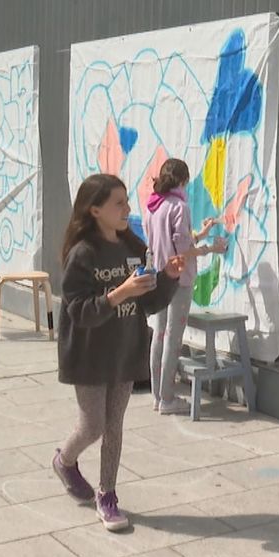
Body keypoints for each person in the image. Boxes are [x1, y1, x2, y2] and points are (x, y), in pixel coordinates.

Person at [54, 173, 186, 531]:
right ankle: (65, 460)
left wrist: (169, 278)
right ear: (95, 210)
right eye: (119, 203)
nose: (128, 209)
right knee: (93, 425)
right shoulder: (82, 254)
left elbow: (149, 303)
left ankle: (107, 495)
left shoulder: (133, 248)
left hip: (124, 351)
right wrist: (119, 293)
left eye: (127, 201)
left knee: (114, 427)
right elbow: (78, 311)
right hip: (89, 353)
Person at [141, 158, 226, 415]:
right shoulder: (179, 206)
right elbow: (184, 250)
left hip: (159, 277)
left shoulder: (153, 206)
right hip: (179, 280)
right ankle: (168, 399)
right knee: (173, 339)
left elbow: (174, 240)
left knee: (159, 335)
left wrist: (200, 232)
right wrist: (212, 248)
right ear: (183, 180)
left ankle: (158, 396)